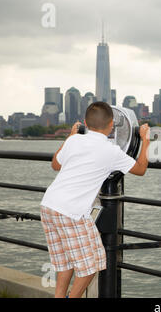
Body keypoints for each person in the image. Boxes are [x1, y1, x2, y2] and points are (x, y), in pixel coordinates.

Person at [39, 101, 149, 298]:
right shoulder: (111, 151)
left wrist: (71, 136)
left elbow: (55, 164)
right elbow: (140, 169)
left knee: (65, 262)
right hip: (71, 212)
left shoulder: (74, 140)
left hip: (49, 206)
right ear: (111, 125)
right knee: (92, 264)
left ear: (85, 124)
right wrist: (146, 140)